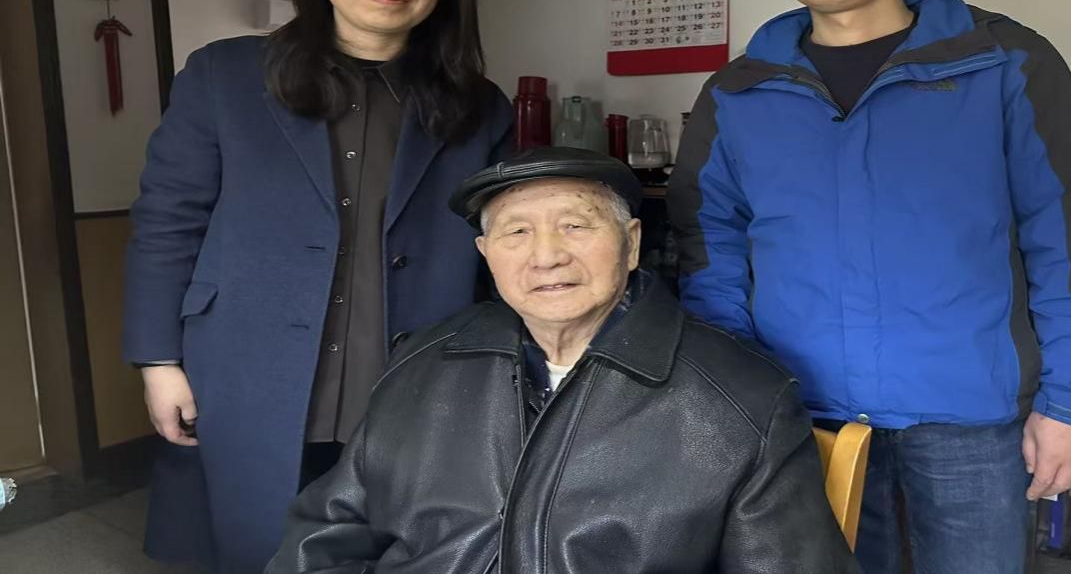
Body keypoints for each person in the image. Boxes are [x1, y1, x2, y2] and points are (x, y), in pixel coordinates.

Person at [667, 0, 1071, 574]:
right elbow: (709, 249)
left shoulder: (1004, 63)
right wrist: (733, 389)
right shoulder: (738, 92)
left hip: (969, 420)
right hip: (799, 413)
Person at [122, 0, 513, 573]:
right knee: (254, 542)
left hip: (412, 374)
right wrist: (158, 360)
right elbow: (167, 222)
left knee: (394, 544)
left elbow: (500, 245)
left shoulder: (478, 106)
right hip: (247, 367)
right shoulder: (224, 75)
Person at [265, 147, 860, 574]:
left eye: (575, 225)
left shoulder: (742, 397)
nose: (546, 256)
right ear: (486, 254)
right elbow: (324, 537)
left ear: (631, 243)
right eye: (516, 232)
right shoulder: (423, 361)